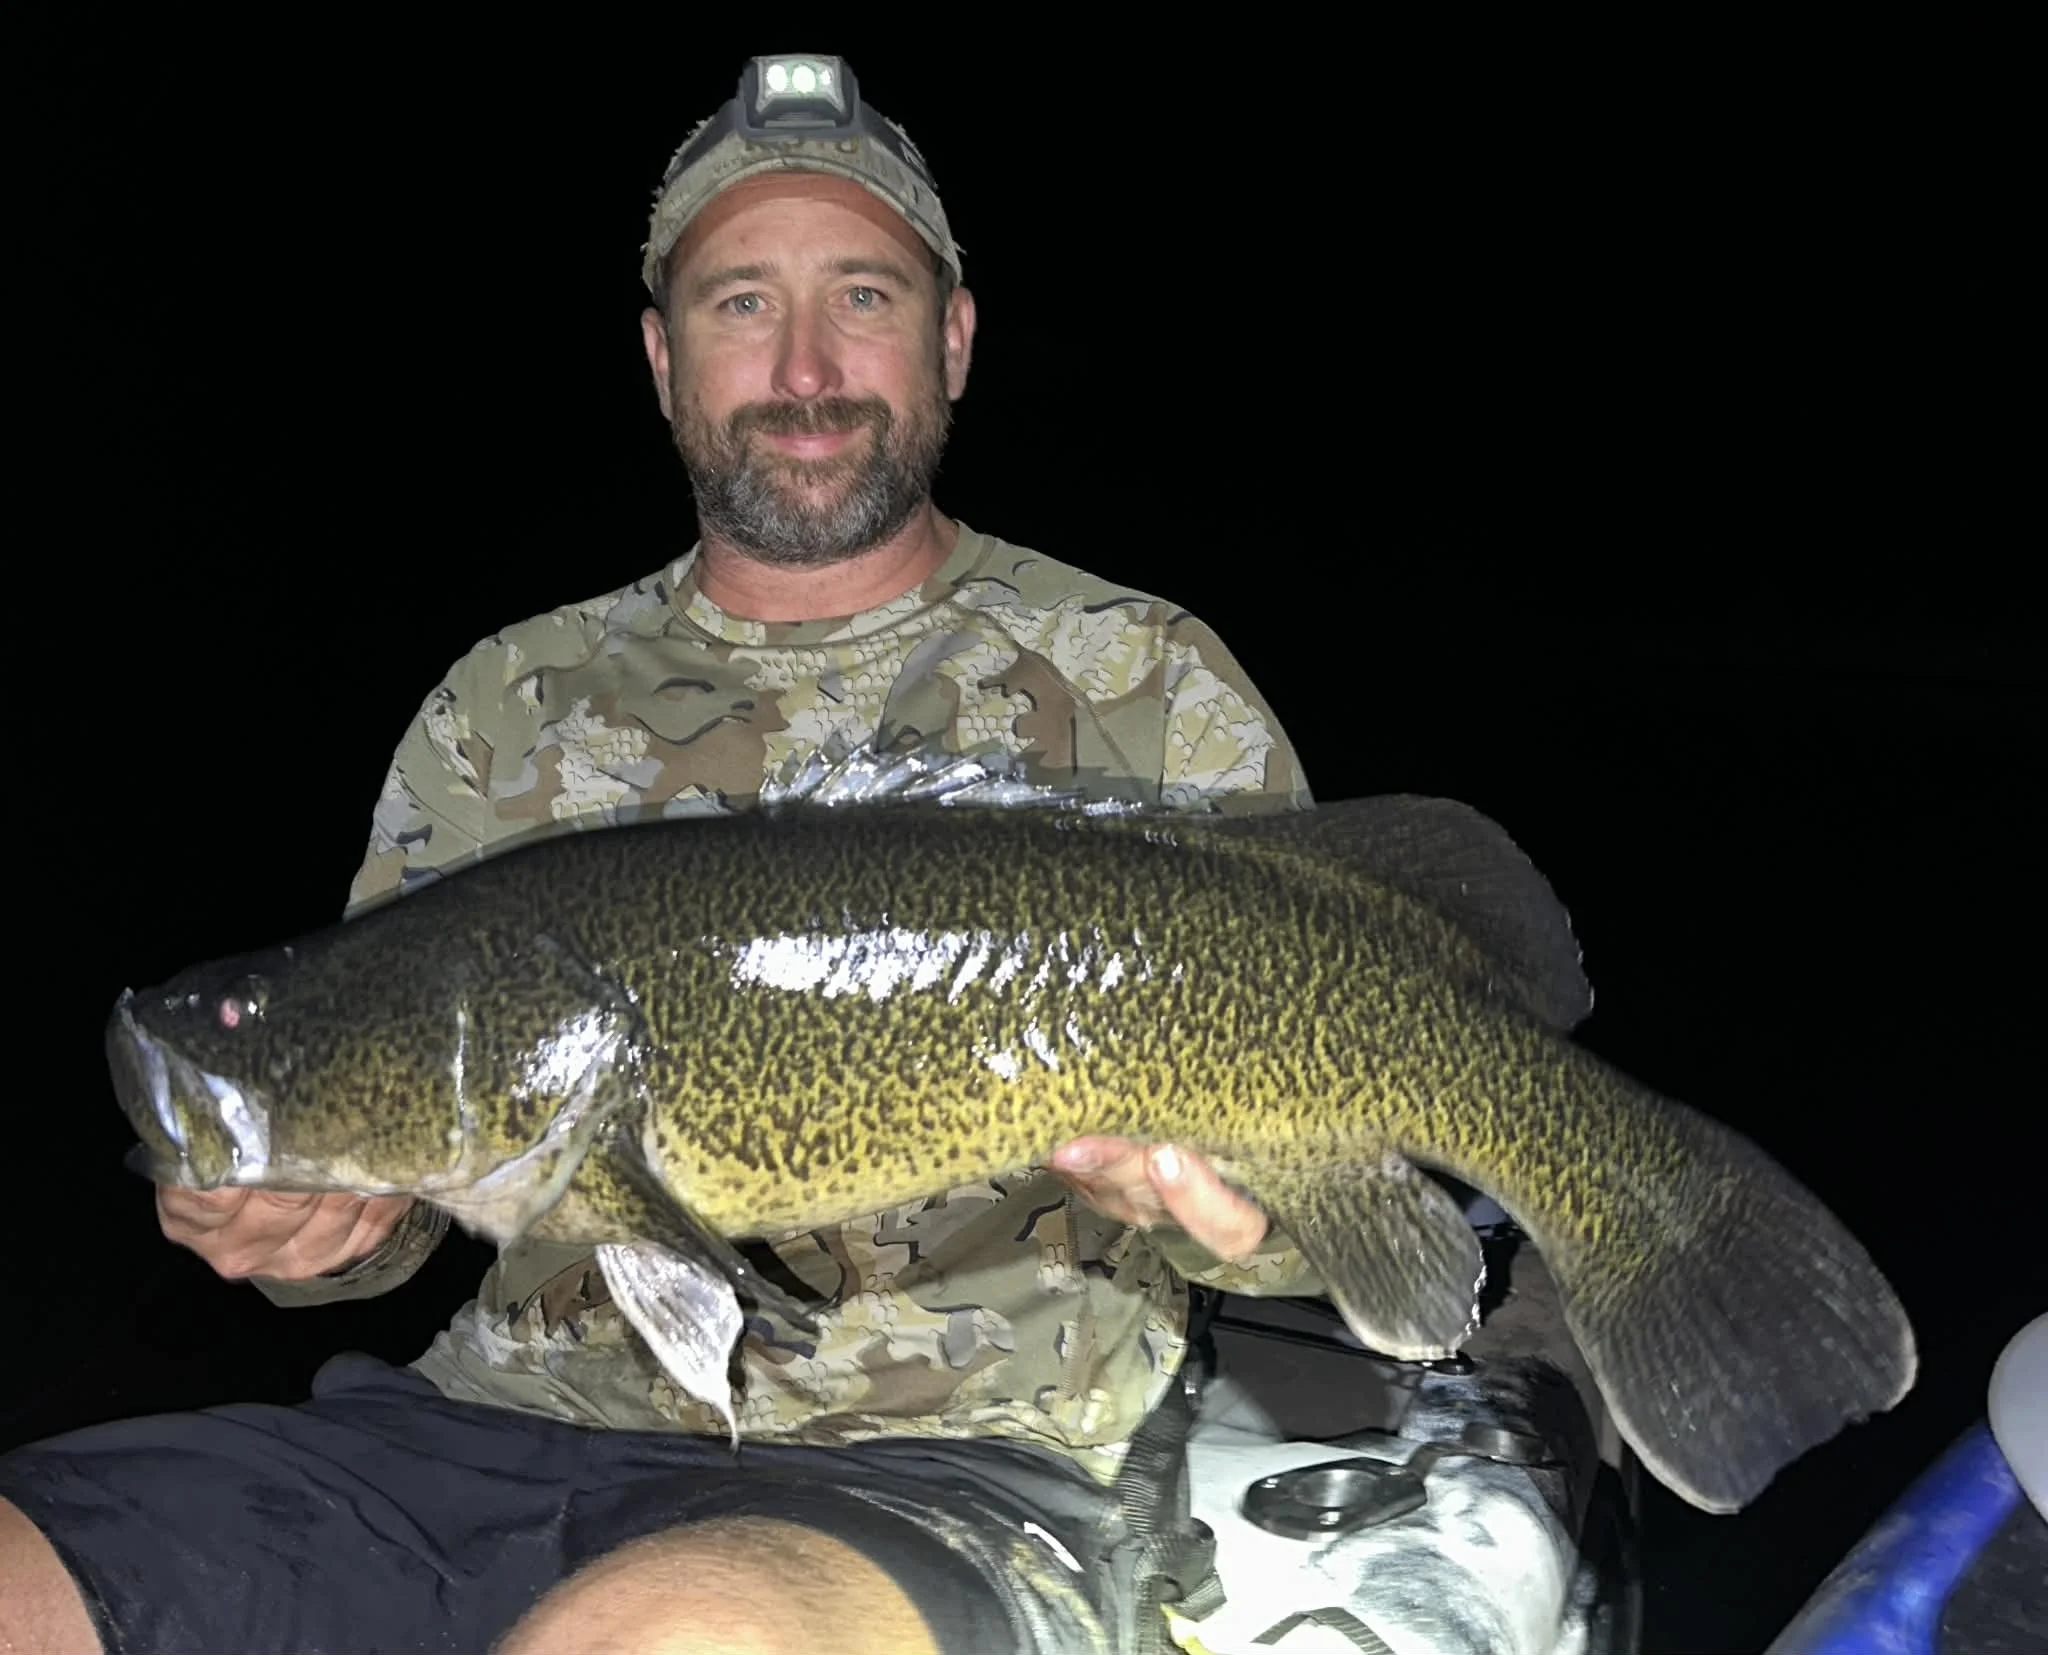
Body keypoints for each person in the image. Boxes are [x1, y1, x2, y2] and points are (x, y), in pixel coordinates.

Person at [0, 54, 1324, 1655]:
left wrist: (1252, 1214)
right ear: (662, 358)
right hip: (489, 1436)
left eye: (864, 296)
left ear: (955, 340)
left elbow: (1340, 1190)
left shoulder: (1145, 681)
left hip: (963, 1467)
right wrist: (306, 1231)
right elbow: (418, 1171)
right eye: (741, 303)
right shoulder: (506, 702)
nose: (806, 366)